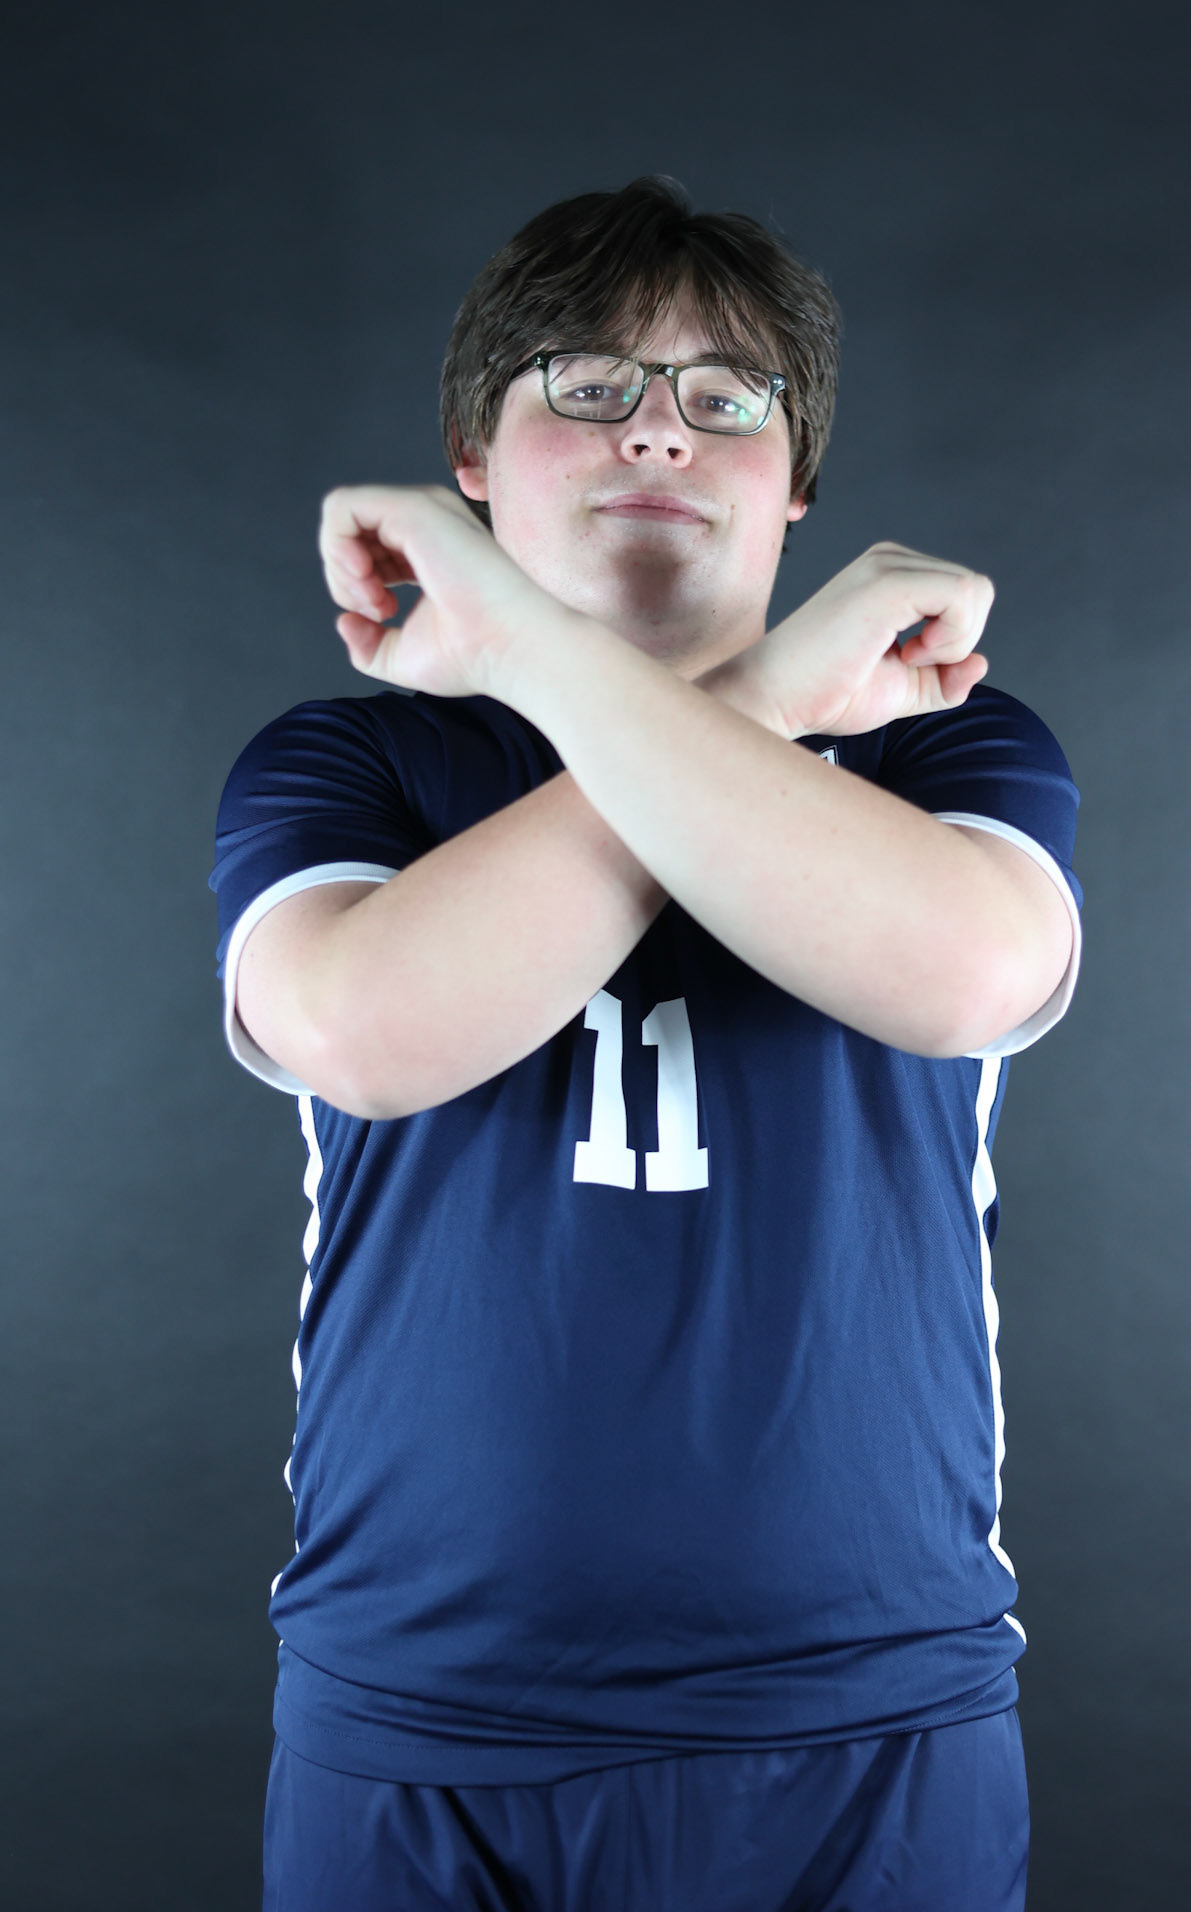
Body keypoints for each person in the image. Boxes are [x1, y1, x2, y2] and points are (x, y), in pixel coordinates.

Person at [211, 175, 1082, 1912]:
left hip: (870, 1722)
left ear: (795, 477)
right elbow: (362, 1030)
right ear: (474, 453)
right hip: (426, 1723)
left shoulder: (938, 750)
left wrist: (559, 651)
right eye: (587, 385)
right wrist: (743, 695)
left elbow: (969, 972)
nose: (660, 435)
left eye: (724, 397)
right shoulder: (349, 762)